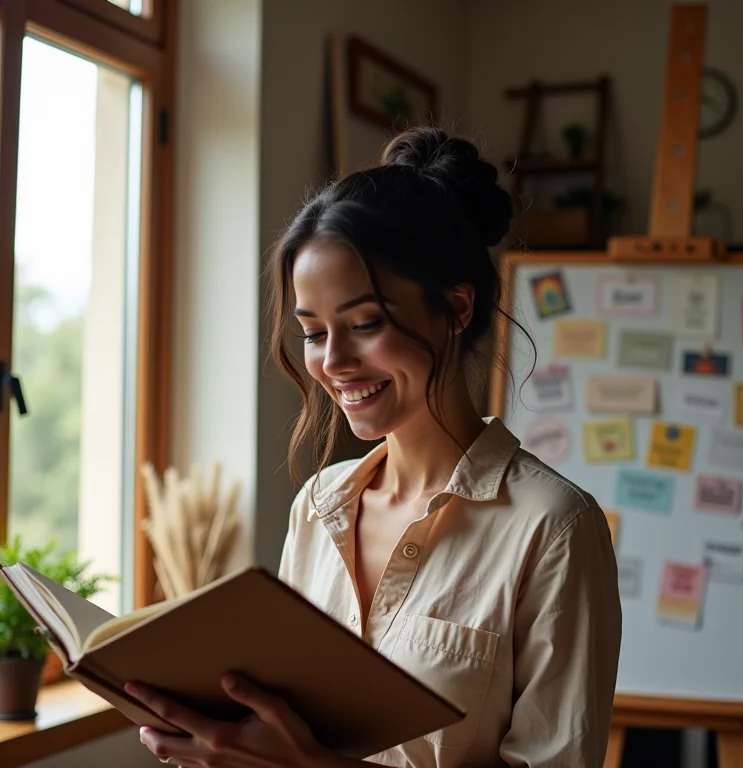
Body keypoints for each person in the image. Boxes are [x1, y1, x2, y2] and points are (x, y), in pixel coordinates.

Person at [128, 126, 622, 768]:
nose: (333, 362)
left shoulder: (553, 528)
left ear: (457, 308)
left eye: (365, 324)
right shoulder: (318, 506)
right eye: (313, 333)